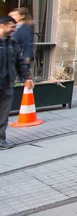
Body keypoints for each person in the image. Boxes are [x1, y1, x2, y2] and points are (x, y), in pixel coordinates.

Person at [0, 16, 33, 150]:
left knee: (3, 114)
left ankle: (1, 139)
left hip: (7, 84)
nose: (14, 30)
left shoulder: (12, 43)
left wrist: (27, 77)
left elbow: (20, 62)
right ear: (2, 25)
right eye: (12, 27)